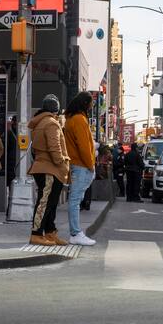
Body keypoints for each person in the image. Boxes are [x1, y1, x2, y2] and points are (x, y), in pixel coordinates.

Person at [27, 94, 70, 246]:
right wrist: (61, 162)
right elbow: (54, 147)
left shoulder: (41, 122)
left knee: (50, 203)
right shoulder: (51, 123)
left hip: (44, 166)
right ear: (56, 109)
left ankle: (50, 232)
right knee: (45, 202)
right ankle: (37, 234)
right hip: (50, 169)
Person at [63, 92, 97, 246]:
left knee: (75, 199)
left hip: (77, 164)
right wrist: (90, 165)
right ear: (85, 103)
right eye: (91, 103)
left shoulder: (71, 119)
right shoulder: (79, 120)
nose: (92, 106)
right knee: (75, 200)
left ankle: (76, 232)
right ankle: (75, 233)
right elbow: (84, 146)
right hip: (81, 165)